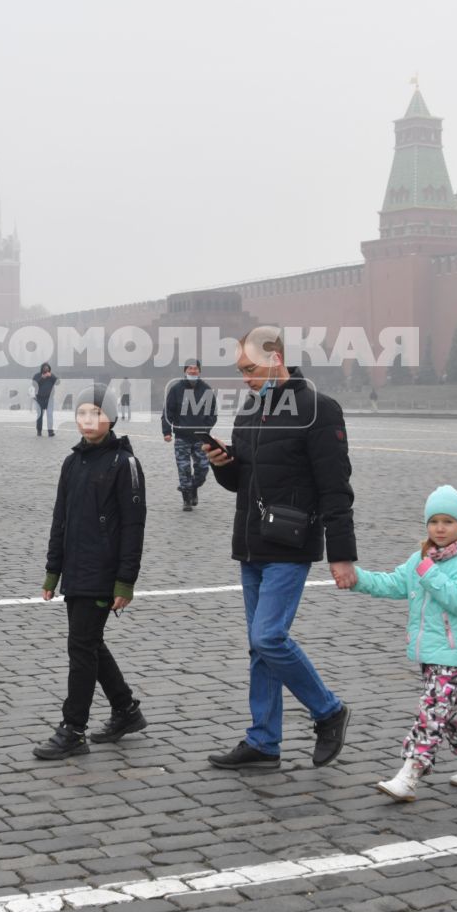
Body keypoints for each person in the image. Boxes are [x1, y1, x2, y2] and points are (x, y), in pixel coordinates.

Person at [201, 325, 353, 771]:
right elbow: (242, 483)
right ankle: (264, 741)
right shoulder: (249, 411)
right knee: (258, 646)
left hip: (290, 542)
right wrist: (222, 466)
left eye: (250, 369)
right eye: (240, 370)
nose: (244, 378)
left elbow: (336, 487)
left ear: (275, 358)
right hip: (251, 543)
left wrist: (341, 554)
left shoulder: (319, 409)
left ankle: (328, 711)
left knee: (268, 636)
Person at [347, 485, 457, 802]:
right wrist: (356, 578)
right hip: (428, 654)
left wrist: (428, 571)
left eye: (448, 521)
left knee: (432, 712)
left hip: (453, 654)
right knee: (448, 711)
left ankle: (410, 773)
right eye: (434, 521)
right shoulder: (420, 560)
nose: (440, 528)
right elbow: (392, 583)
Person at [34, 385, 146, 760]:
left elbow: (133, 527)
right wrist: (53, 572)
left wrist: (125, 581)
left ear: (111, 418)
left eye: (95, 414)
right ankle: (126, 709)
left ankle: (73, 729)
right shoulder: (72, 462)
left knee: (81, 646)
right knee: (89, 642)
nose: (88, 421)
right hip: (75, 570)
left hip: (103, 570)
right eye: (82, 413)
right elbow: (59, 520)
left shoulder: (124, 464)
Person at [161, 359, 216, 512]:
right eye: (190, 368)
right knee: (183, 468)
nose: (193, 371)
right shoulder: (176, 389)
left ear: (199, 371)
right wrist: (166, 432)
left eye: (195, 368)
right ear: (185, 371)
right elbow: (167, 412)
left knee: (203, 468)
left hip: (200, 438)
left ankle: (193, 488)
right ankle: (186, 499)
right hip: (181, 437)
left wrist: (206, 428)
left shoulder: (206, 390)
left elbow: (213, 413)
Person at [32, 363, 58, 436]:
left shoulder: (51, 376)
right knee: (40, 415)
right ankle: (39, 431)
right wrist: (42, 378)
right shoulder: (37, 375)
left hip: (50, 399)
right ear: (42, 369)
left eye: (47, 368)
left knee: (50, 415)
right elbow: (34, 384)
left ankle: (50, 431)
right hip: (39, 399)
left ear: (49, 369)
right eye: (45, 368)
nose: (46, 369)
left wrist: (52, 376)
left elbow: (58, 382)